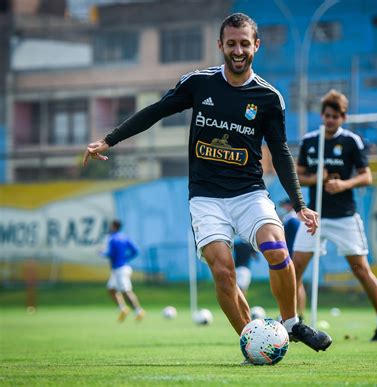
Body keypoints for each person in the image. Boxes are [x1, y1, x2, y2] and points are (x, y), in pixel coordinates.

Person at [83, 13, 332, 360]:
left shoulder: (268, 98)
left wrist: (301, 204)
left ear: (256, 46)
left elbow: (280, 151)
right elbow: (155, 111)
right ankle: (253, 343)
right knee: (223, 271)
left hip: (250, 193)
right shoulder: (199, 84)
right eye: (231, 43)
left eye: (245, 43)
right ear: (220, 45)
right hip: (206, 199)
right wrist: (108, 140)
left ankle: (291, 323)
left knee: (276, 248)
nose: (238, 50)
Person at [292, 89, 377, 341]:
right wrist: (316, 178)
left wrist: (343, 184)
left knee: (360, 268)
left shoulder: (352, 142)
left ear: (343, 118)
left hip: (345, 217)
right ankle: (296, 325)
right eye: (326, 116)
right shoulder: (309, 141)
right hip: (314, 216)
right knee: (294, 269)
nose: (329, 121)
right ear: (322, 115)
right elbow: (297, 175)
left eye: (335, 117)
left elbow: (366, 176)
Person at [100, 219, 146, 322]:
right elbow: (136, 250)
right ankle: (123, 309)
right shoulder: (125, 237)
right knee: (111, 289)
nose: (110, 228)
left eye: (111, 226)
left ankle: (139, 311)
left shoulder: (112, 238)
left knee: (126, 291)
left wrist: (102, 253)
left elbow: (111, 254)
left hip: (120, 269)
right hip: (120, 268)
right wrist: (126, 258)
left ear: (114, 227)